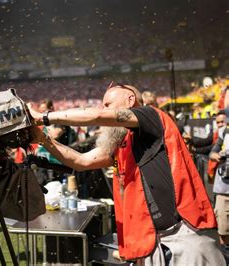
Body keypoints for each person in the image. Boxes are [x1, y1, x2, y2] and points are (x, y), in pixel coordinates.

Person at [27, 82, 225, 265]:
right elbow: (81, 161)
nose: (104, 110)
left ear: (130, 100)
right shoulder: (122, 144)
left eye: (108, 104)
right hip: (153, 242)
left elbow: (96, 116)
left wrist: (43, 117)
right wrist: (43, 139)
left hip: (186, 233)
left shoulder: (151, 116)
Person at [209, 110, 229, 246]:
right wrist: (215, 155)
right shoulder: (224, 133)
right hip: (223, 188)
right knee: (222, 227)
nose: (221, 124)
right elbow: (212, 152)